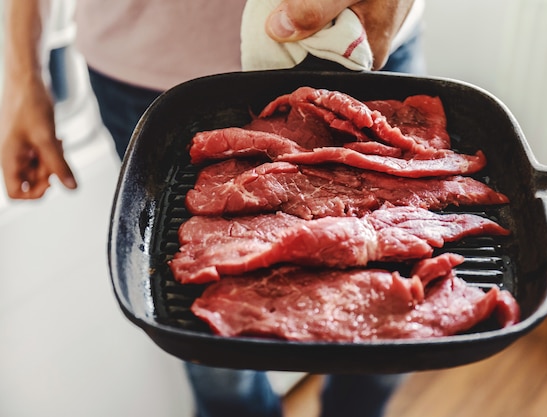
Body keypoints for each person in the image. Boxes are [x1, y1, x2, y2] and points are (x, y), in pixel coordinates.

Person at [0, 1, 425, 416]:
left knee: (395, 330)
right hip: (148, 69)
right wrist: (23, 73)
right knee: (220, 370)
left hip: (356, 36)